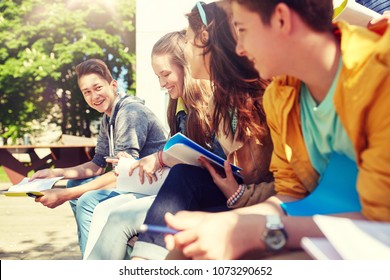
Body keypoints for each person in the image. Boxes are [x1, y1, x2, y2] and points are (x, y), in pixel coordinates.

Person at [163, 0, 390, 260]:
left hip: (372, 237)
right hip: (329, 225)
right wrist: (225, 224)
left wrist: (255, 229)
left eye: (242, 29)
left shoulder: (381, 73)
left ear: (281, 19)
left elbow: (379, 221)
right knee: (185, 250)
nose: (238, 47)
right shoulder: (280, 97)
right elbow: (290, 193)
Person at [130, 1, 275, 260]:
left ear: (205, 39)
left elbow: (279, 180)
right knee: (184, 178)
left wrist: (240, 195)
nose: (183, 47)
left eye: (186, 38)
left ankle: (144, 259)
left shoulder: (260, 95)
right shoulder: (221, 99)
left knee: (182, 202)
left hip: (253, 198)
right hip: (234, 191)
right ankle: (143, 260)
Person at [82, 30, 215, 260]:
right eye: (158, 77)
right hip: (169, 185)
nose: (162, 84)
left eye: (166, 74)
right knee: (101, 207)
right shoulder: (177, 106)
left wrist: (161, 158)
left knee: (114, 215)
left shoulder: (211, 106)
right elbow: (98, 162)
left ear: (187, 67)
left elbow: (204, 160)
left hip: (192, 189)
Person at [31, 58, 166, 255]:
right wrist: (54, 174)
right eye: (87, 92)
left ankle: (95, 264)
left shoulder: (130, 113)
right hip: (134, 180)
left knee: (87, 201)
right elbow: (97, 165)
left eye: (97, 88)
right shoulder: (108, 117)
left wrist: (64, 196)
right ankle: (95, 254)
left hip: (153, 182)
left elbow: (123, 172)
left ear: (113, 85)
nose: (94, 96)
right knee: (74, 185)